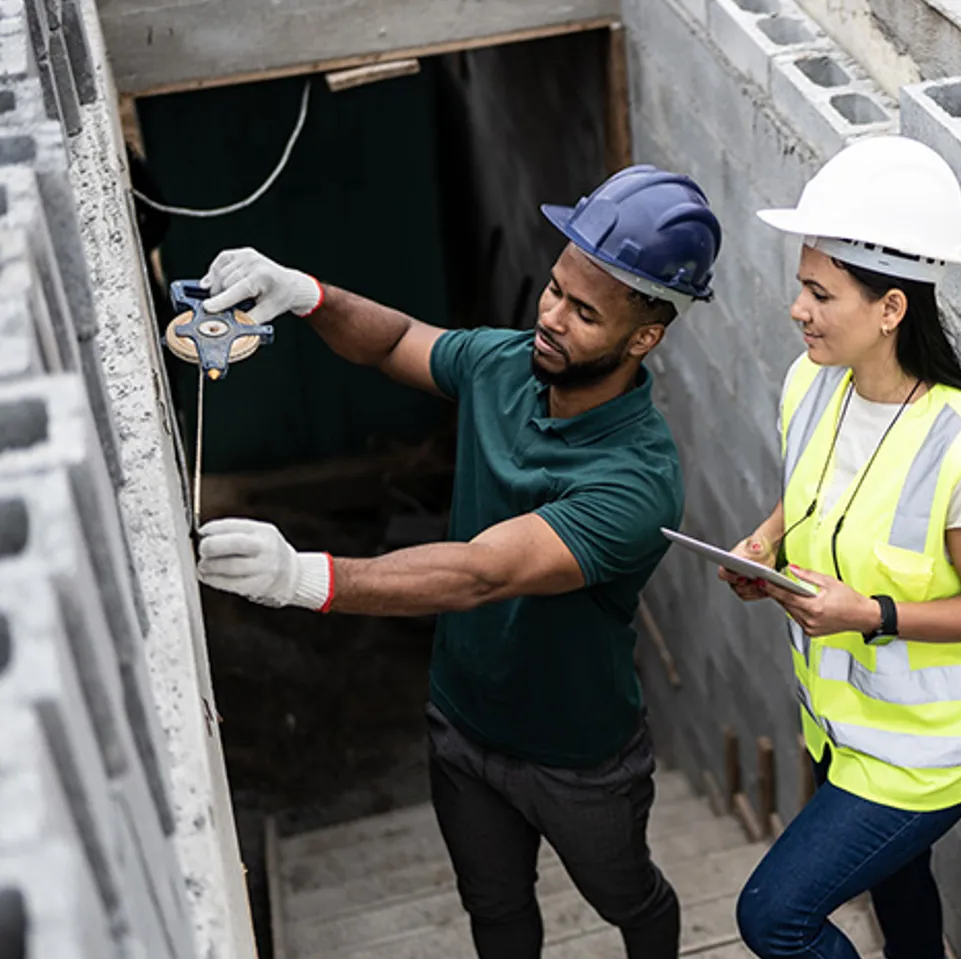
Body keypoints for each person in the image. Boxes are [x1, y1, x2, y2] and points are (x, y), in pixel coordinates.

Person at [193, 165, 722, 959]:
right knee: (495, 907)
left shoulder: (636, 481)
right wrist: (307, 294)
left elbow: (482, 572)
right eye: (554, 290)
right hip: (462, 723)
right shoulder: (506, 363)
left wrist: (297, 576)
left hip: (580, 757)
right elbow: (402, 342)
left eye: (584, 313)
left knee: (626, 894)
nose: (551, 317)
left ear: (643, 337)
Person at [721, 136, 961, 959]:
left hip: (925, 753)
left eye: (821, 294)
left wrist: (868, 612)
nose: (799, 310)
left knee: (774, 916)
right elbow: (815, 487)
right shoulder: (812, 383)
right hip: (838, 724)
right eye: (802, 286)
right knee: (897, 886)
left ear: (891, 308)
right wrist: (766, 540)